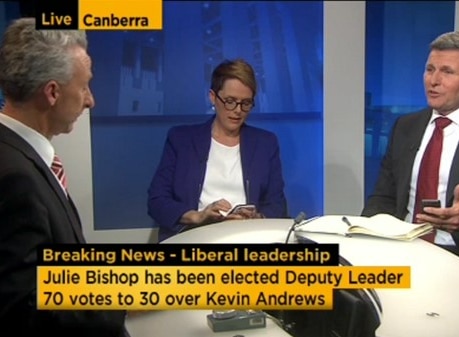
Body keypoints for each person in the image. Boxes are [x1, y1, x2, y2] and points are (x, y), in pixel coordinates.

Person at [0, 18, 126, 336]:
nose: (90, 100)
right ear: (52, 92)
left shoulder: (19, 156)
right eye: (84, 86)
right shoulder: (15, 178)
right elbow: (27, 310)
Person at [362, 31, 459, 282]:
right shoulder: (405, 127)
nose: (433, 80)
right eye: (430, 69)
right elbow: (383, 197)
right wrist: (366, 233)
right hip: (401, 254)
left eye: (447, 72)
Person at [148, 58, 288, 241]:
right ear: (213, 97)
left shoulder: (265, 143)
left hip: (248, 237)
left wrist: (257, 218)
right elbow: (157, 202)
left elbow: (277, 204)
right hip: (194, 237)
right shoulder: (182, 139)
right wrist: (198, 216)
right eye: (230, 101)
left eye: (246, 103)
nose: (238, 110)